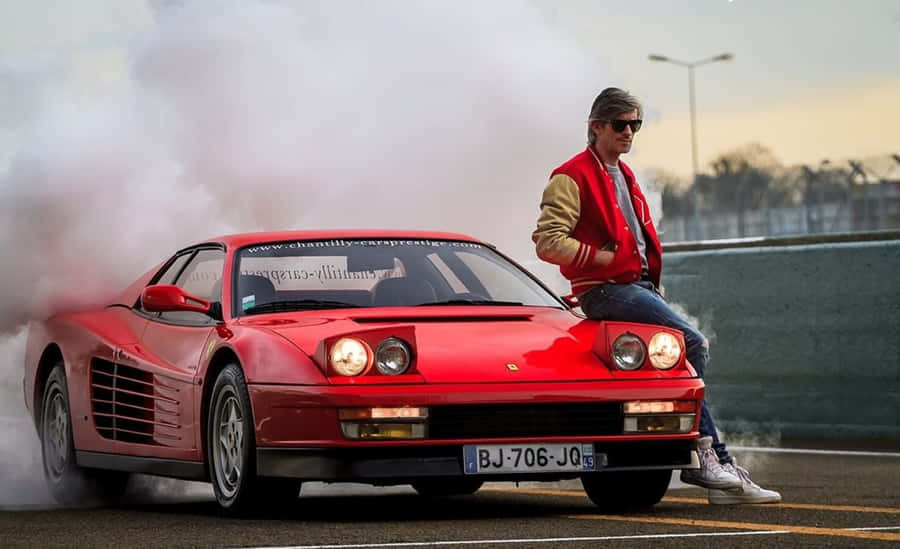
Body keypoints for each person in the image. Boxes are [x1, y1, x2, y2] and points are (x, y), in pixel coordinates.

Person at [532, 87, 780, 505]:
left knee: (666, 367)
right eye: (620, 124)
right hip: (606, 291)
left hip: (637, 289)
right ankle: (708, 460)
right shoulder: (571, 176)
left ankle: (712, 462)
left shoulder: (625, 175)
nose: (628, 132)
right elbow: (546, 241)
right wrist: (600, 257)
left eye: (635, 124)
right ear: (596, 127)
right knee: (693, 344)